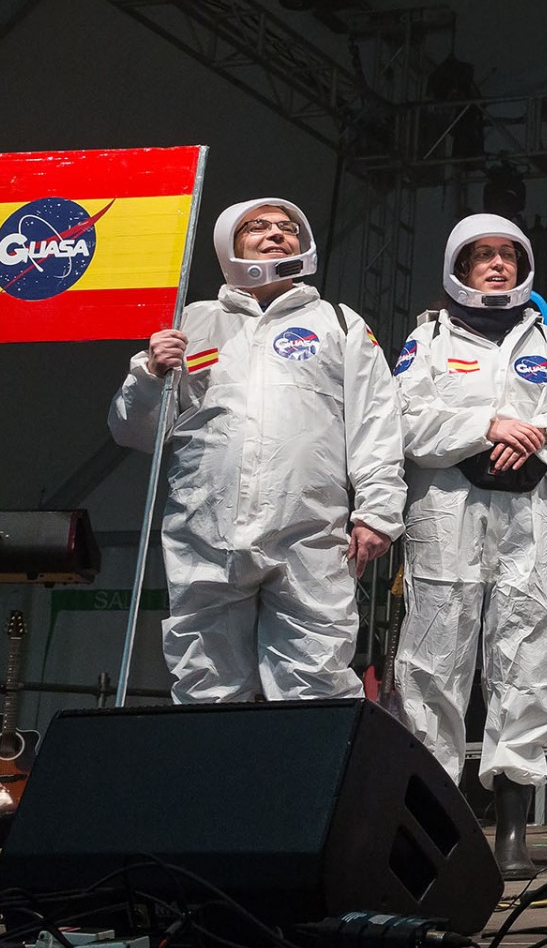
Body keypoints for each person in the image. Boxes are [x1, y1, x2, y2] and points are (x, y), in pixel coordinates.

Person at [108, 197, 404, 702]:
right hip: (206, 529)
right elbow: (135, 433)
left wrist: (377, 512)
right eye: (257, 227)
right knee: (205, 682)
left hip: (309, 530)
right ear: (229, 244)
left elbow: (376, 420)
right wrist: (151, 375)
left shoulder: (338, 322)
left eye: (288, 227)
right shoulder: (189, 323)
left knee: (315, 682)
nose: (276, 234)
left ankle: (308, 759)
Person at [393, 214, 547, 880]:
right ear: (459, 267)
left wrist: (535, 435)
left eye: (508, 255)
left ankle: (513, 829)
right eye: (482, 255)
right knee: (434, 661)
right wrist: (489, 426)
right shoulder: (427, 340)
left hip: (531, 516)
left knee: (528, 657)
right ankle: (438, 827)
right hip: (447, 513)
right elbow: (406, 419)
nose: (497, 264)